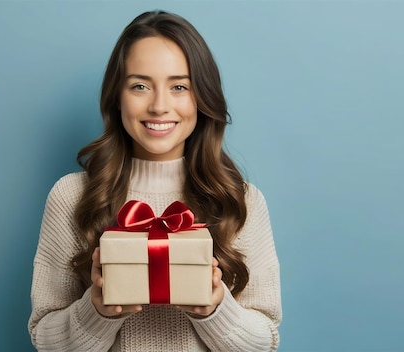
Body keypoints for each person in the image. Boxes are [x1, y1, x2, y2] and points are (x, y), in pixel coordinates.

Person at [28, 10, 281, 351]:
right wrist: (97, 311)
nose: (159, 106)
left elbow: (265, 342)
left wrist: (216, 310)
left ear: (202, 98)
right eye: (140, 86)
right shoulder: (72, 196)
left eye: (179, 86)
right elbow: (45, 340)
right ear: (117, 96)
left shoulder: (241, 200)